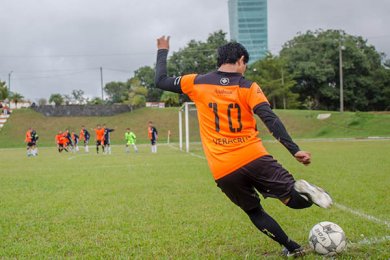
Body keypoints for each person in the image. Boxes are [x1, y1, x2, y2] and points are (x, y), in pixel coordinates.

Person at [154, 36, 333, 257]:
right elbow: (270, 118)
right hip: (254, 157)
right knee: (297, 202)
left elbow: (160, 80)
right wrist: (294, 149)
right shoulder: (248, 86)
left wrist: (163, 50)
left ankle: (292, 247)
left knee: (254, 211)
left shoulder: (196, 82)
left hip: (223, 169)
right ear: (240, 60)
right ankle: (300, 189)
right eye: (245, 65)